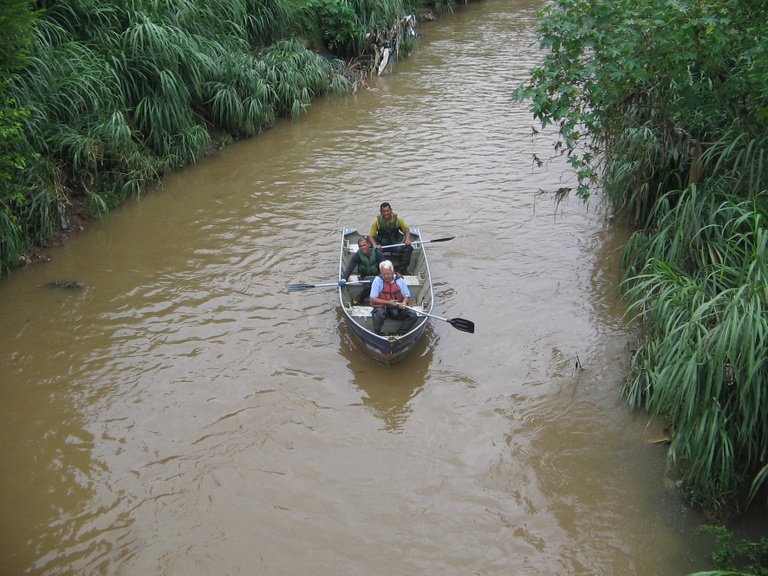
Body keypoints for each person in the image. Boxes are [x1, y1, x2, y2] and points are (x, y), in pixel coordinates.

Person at [369, 260, 418, 336]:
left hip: (398, 308)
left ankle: (399, 334)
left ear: (392, 271)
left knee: (413, 315)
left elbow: (407, 295)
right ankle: (377, 334)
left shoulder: (400, 281)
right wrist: (389, 303)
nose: (386, 276)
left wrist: (404, 303)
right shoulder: (377, 281)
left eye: (388, 274)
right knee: (378, 315)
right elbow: (372, 299)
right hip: (383, 308)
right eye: (383, 274)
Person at [368, 202, 413, 275]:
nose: (386, 213)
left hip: (396, 244)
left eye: (387, 211)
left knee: (409, 248)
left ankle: (402, 269)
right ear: (381, 212)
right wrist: (374, 245)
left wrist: (407, 239)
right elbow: (370, 236)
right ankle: (378, 270)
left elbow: (406, 230)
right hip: (382, 245)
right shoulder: (377, 221)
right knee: (371, 249)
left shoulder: (398, 219)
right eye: (384, 211)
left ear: (391, 210)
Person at [340, 237, 384, 303]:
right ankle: (362, 297)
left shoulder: (378, 253)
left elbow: (384, 267)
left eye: (364, 245)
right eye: (360, 246)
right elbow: (350, 268)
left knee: (379, 282)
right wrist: (344, 279)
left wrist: (378, 277)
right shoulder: (357, 256)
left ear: (369, 244)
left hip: (377, 275)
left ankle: (361, 297)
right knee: (371, 285)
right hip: (364, 277)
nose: (362, 248)